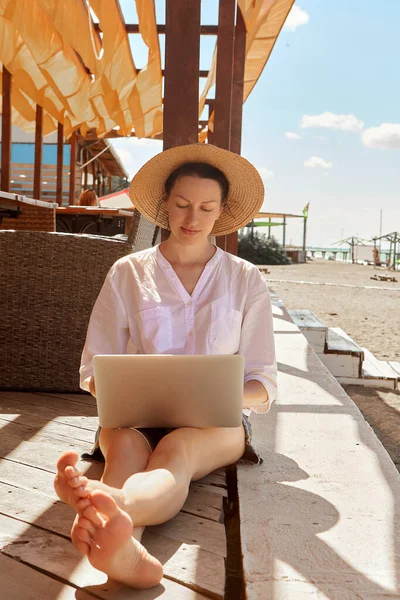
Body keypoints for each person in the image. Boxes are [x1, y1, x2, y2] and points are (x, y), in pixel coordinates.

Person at [54, 143, 277, 589]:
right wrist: (117, 391)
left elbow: (263, 383)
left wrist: (217, 397)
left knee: (178, 452)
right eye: (181, 205)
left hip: (215, 423)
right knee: (125, 453)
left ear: (222, 211)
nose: (191, 218)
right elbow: (93, 368)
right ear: (164, 205)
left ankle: (106, 506)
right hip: (135, 416)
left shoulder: (245, 279)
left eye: (205, 207)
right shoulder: (127, 272)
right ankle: (123, 552)